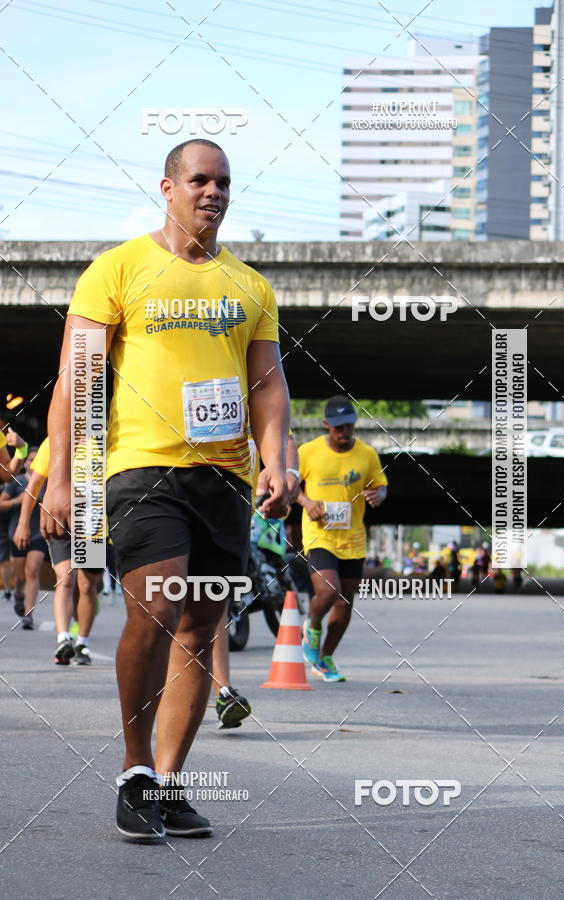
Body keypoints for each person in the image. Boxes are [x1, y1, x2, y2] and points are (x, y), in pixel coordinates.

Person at [43, 138, 290, 841]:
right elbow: (78, 377)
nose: (213, 192)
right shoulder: (118, 268)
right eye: (200, 180)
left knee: (201, 624)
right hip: (142, 468)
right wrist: (64, 477)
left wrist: (277, 459)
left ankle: (171, 781)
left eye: (224, 182)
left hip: (225, 478)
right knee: (154, 604)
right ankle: (133, 769)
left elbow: (268, 385)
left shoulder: (249, 286)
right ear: (168, 186)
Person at [211, 433, 300, 729]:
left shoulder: (250, 404)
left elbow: (285, 438)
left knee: (215, 600)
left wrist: (289, 473)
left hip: (236, 517)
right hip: (169, 498)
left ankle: (223, 692)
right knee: (169, 607)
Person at [298, 396, 387, 682]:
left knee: (345, 602)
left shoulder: (367, 454)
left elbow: (381, 486)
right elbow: (288, 484)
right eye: (337, 426)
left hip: (353, 539)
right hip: (319, 535)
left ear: (354, 423)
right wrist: (306, 501)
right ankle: (311, 627)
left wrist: (377, 495)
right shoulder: (308, 452)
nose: (343, 431)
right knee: (328, 591)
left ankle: (325, 658)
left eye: (348, 425)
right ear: (326, 424)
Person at [13, 437, 103, 665]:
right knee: (66, 577)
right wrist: (23, 522)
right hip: (59, 519)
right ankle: (63, 639)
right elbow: (34, 484)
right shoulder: (54, 439)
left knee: (88, 585)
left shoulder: (103, 437)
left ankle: (82, 642)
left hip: (92, 522)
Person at [0, 447, 44, 629]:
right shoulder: (16, 482)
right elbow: (1, 503)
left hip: (39, 534)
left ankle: (28, 614)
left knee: (32, 571)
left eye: (36, 460)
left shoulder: (45, 482)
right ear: (25, 463)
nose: (33, 463)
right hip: (16, 533)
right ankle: (18, 594)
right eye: (30, 460)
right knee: (20, 577)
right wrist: (17, 502)